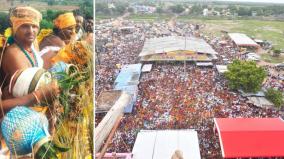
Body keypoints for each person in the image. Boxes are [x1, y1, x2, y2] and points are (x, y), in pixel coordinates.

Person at [0, 6, 59, 117]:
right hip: (18, 117)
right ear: (15, 28)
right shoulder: (14, 54)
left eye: (34, 26)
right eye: (25, 26)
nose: (31, 31)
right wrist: (41, 94)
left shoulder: (32, 46)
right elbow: (27, 94)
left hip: (32, 111)